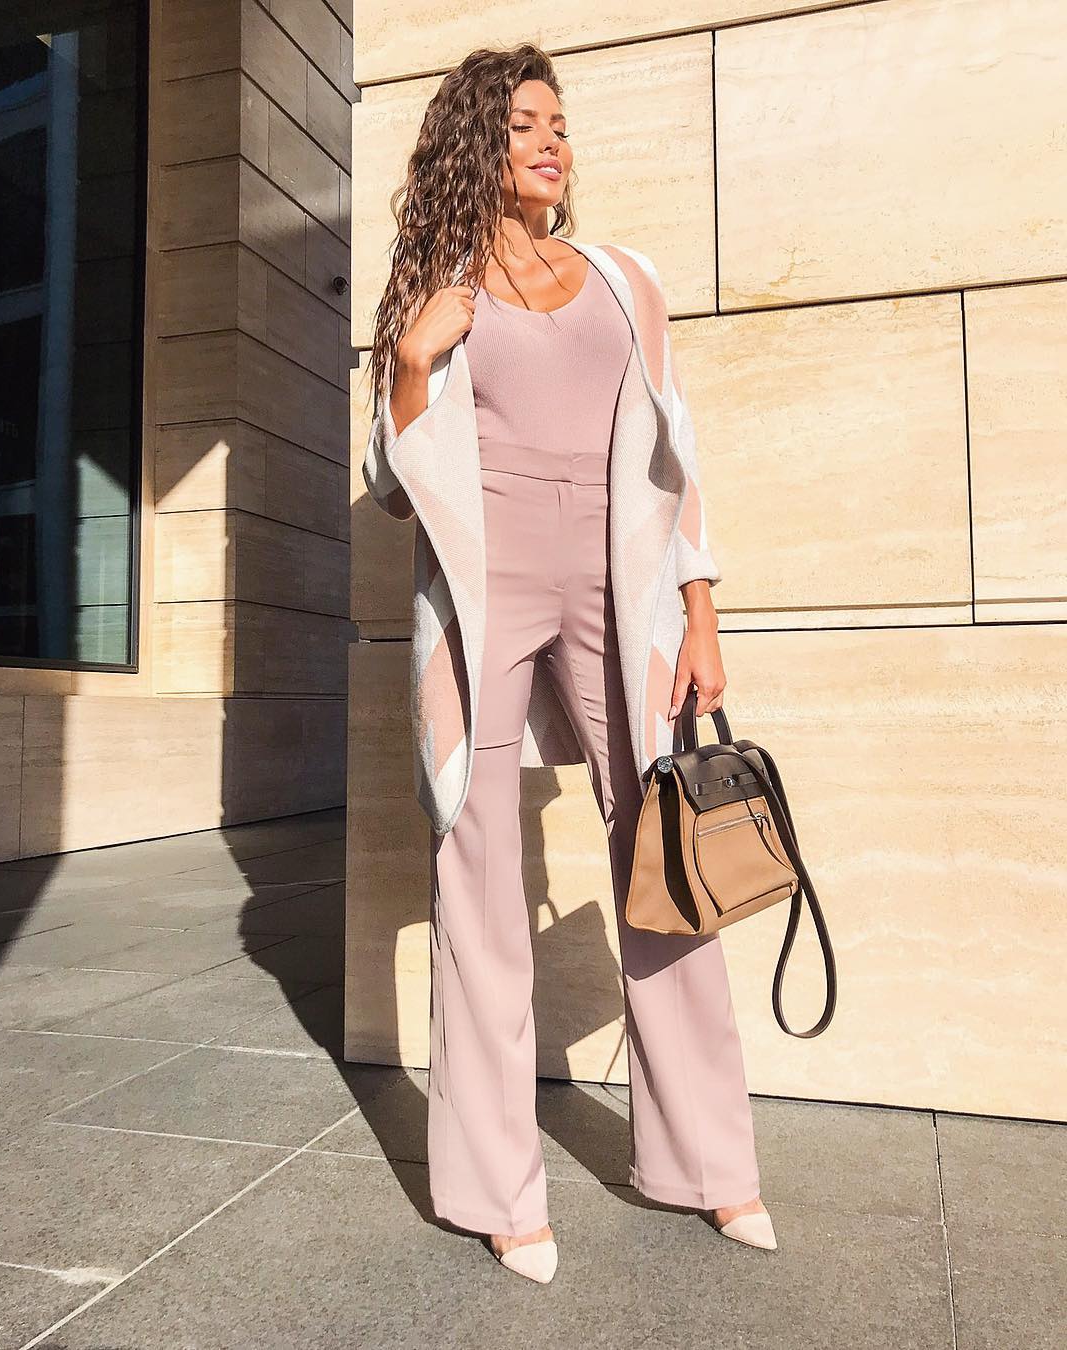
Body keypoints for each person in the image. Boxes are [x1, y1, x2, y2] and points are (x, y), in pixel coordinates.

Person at [361, 43, 776, 1284]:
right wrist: (413, 366)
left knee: (663, 856)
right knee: (478, 872)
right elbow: (391, 482)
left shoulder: (623, 280)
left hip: (613, 579)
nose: (551, 142)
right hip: (483, 588)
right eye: (524, 123)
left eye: (559, 123)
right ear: (477, 144)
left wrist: (699, 613)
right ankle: (498, 1191)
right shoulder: (436, 291)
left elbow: (676, 455)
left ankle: (711, 1164)